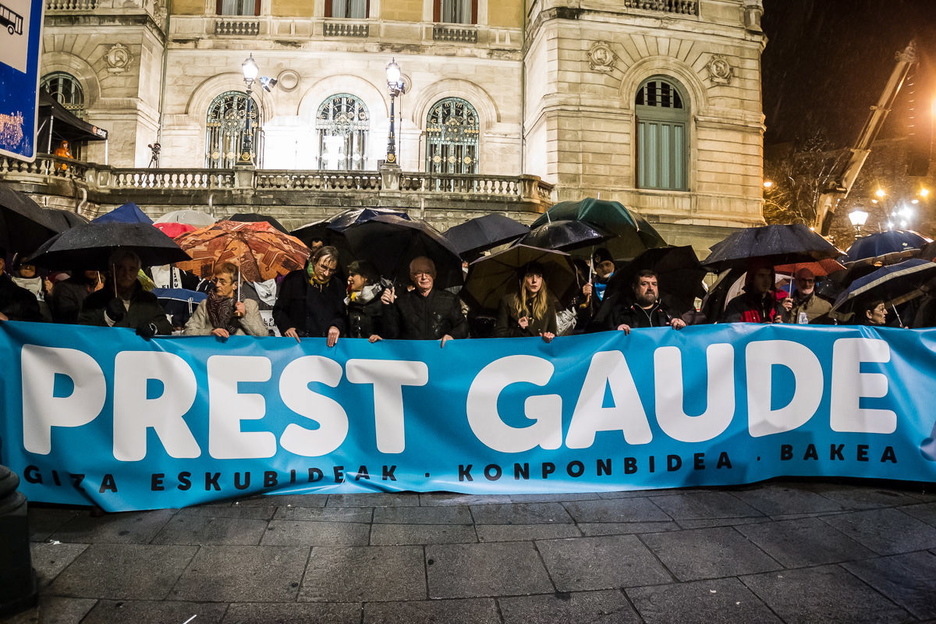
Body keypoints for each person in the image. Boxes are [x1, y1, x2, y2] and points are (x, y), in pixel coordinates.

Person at [77, 249, 172, 337]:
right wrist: (109, 318)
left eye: (132, 269)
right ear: (111, 271)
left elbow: (165, 325)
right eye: (121, 268)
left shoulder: (148, 299)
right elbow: (84, 332)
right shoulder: (94, 300)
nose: (126, 274)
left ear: (137, 272)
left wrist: (153, 327)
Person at [379, 256, 467, 345]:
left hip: (441, 352)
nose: (424, 277)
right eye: (418, 273)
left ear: (434, 274)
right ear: (412, 276)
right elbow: (391, 334)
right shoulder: (402, 302)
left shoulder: (450, 299)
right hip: (412, 354)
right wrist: (387, 307)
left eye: (428, 272)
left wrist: (452, 336)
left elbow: (462, 326)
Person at [273, 245, 346, 346]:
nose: (326, 273)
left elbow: (342, 315)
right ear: (314, 261)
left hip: (326, 344)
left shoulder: (337, 285)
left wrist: (336, 326)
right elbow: (279, 310)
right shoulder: (294, 279)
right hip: (297, 342)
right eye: (323, 267)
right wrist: (287, 327)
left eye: (331, 270)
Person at [587, 269, 687, 334]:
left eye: (654, 284)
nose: (650, 288)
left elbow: (685, 339)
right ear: (634, 288)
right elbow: (598, 336)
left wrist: (682, 326)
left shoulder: (669, 312)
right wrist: (615, 331)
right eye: (644, 284)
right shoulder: (619, 312)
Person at [184, 263, 267, 338]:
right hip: (214, 351)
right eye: (216, 280)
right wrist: (210, 332)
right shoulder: (205, 305)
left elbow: (262, 335)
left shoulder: (249, 304)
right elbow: (188, 332)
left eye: (222, 281)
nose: (217, 285)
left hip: (239, 352)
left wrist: (244, 316)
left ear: (234, 285)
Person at [494, 262, 557, 342]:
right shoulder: (508, 301)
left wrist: (549, 337)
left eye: (539, 276)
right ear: (523, 279)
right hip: (516, 351)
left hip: (538, 352)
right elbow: (499, 335)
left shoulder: (548, 303)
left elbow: (553, 334)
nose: (534, 280)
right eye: (530, 275)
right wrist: (518, 328)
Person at [345, 259, 385, 341]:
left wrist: (381, 337)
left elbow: (391, 330)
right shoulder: (350, 300)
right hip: (354, 349)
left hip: (375, 349)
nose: (349, 278)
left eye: (353, 275)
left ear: (365, 277)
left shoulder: (382, 300)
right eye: (349, 275)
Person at [0, 247, 42, 322]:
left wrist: (8, 320)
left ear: (0, 264)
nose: (28, 268)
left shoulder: (23, 298)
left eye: (31, 264)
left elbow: (34, 328)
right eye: (24, 264)